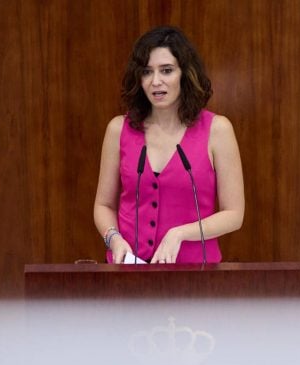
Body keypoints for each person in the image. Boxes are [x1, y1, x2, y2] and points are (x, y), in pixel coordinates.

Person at [93, 26, 244, 264]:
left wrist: (180, 234)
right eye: (146, 72)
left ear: (185, 74)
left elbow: (234, 214)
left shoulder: (217, 130)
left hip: (196, 275)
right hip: (128, 274)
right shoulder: (118, 130)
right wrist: (113, 238)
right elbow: (103, 204)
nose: (155, 81)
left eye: (166, 70)